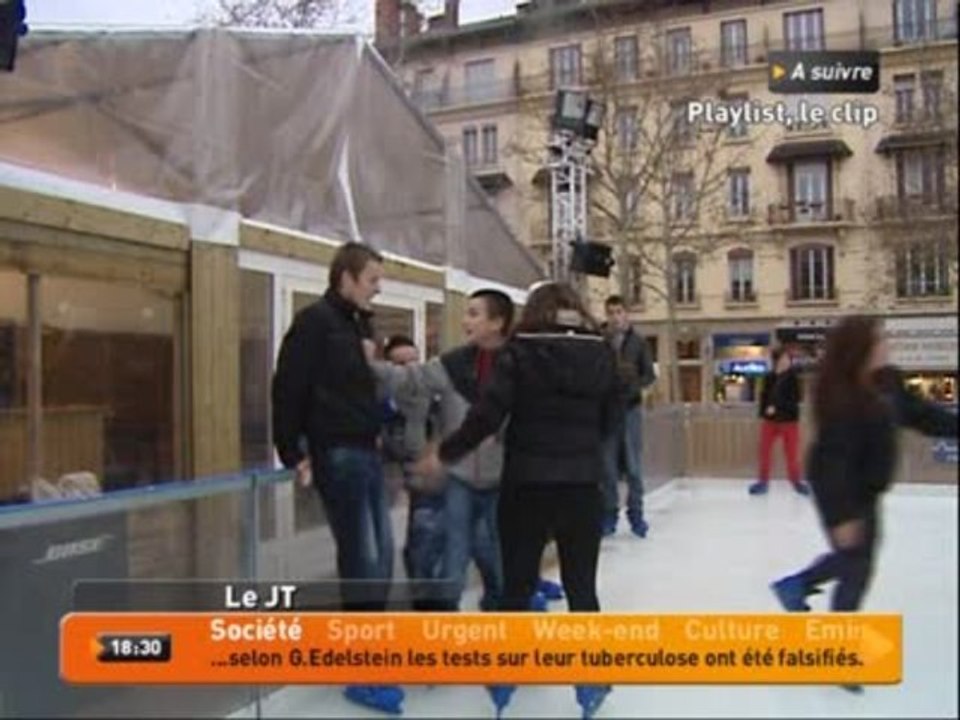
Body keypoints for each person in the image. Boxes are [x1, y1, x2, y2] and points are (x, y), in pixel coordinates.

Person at [415, 281, 622, 720]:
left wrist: (446, 453)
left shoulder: (519, 351)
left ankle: (506, 676)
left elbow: (486, 417)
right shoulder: (602, 352)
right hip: (582, 486)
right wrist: (583, 450)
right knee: (581, 588)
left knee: (518, 585)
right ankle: (591, 682)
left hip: (527, 483)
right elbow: (612, 421)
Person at [770, 315, 957, 693]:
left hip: (867, 489)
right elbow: (828, 462)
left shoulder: (888, 383)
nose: (887, 344)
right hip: (841, 491)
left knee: (856, 560)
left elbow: (923, 416)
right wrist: (841, 516)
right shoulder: (841, 396)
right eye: (879, 339)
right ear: (861, 349)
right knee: (856, 567)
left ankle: (797, 585)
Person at [271, 242, 403, 715]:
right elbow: (287, 388)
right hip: (337, 452)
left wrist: (383, 414)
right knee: (363, 557)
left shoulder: (357, 326)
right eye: (372, 279)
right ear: (345, 277)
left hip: (367, 451)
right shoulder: (315, 325)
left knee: (382, 554)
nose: (378, 287)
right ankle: (361, 667)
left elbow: (364, 387)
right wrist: (293, 452)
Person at [370, 289, 514, 613]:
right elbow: (410, 379)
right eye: (466, 313)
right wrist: (366, 366)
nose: (465, 320)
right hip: (459, 479)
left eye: (474, 313)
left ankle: (504, 622)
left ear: (497, 322)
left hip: (505, 481)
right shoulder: (454, 364)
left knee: (499, 563)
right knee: (452, 566)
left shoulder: (519, 363)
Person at [381, 335, 446, 611]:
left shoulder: (436, 404)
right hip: (387, 482)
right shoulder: (376, 405)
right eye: (401, 365)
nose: (410, 372)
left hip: (428, 484)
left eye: (414, 363)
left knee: (425, 539)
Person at [601, 295, 656, 537]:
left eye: (619, 312)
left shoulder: (639, 343)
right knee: (607, 467)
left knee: (633, 467)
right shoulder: (602, 342)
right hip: (607, 411)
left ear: (627, 314)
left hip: (630, 410)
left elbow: (649, 376)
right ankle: (609, 515)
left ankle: (636, 515)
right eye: (611, 312)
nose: (615, 317)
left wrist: (634, 387)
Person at [749, 347, 810, 496]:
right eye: (785, 359)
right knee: (764, 451)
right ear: (777, 361)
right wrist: (764, 412)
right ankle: (763, 482)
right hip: (770, 421)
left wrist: (776, 407)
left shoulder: (793, 378)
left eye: (788, 359)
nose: (788, 362)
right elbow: (763, 397)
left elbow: (795, 400)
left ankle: (796, 481)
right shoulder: (769, 377)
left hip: (788, 421)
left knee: (791, 453)